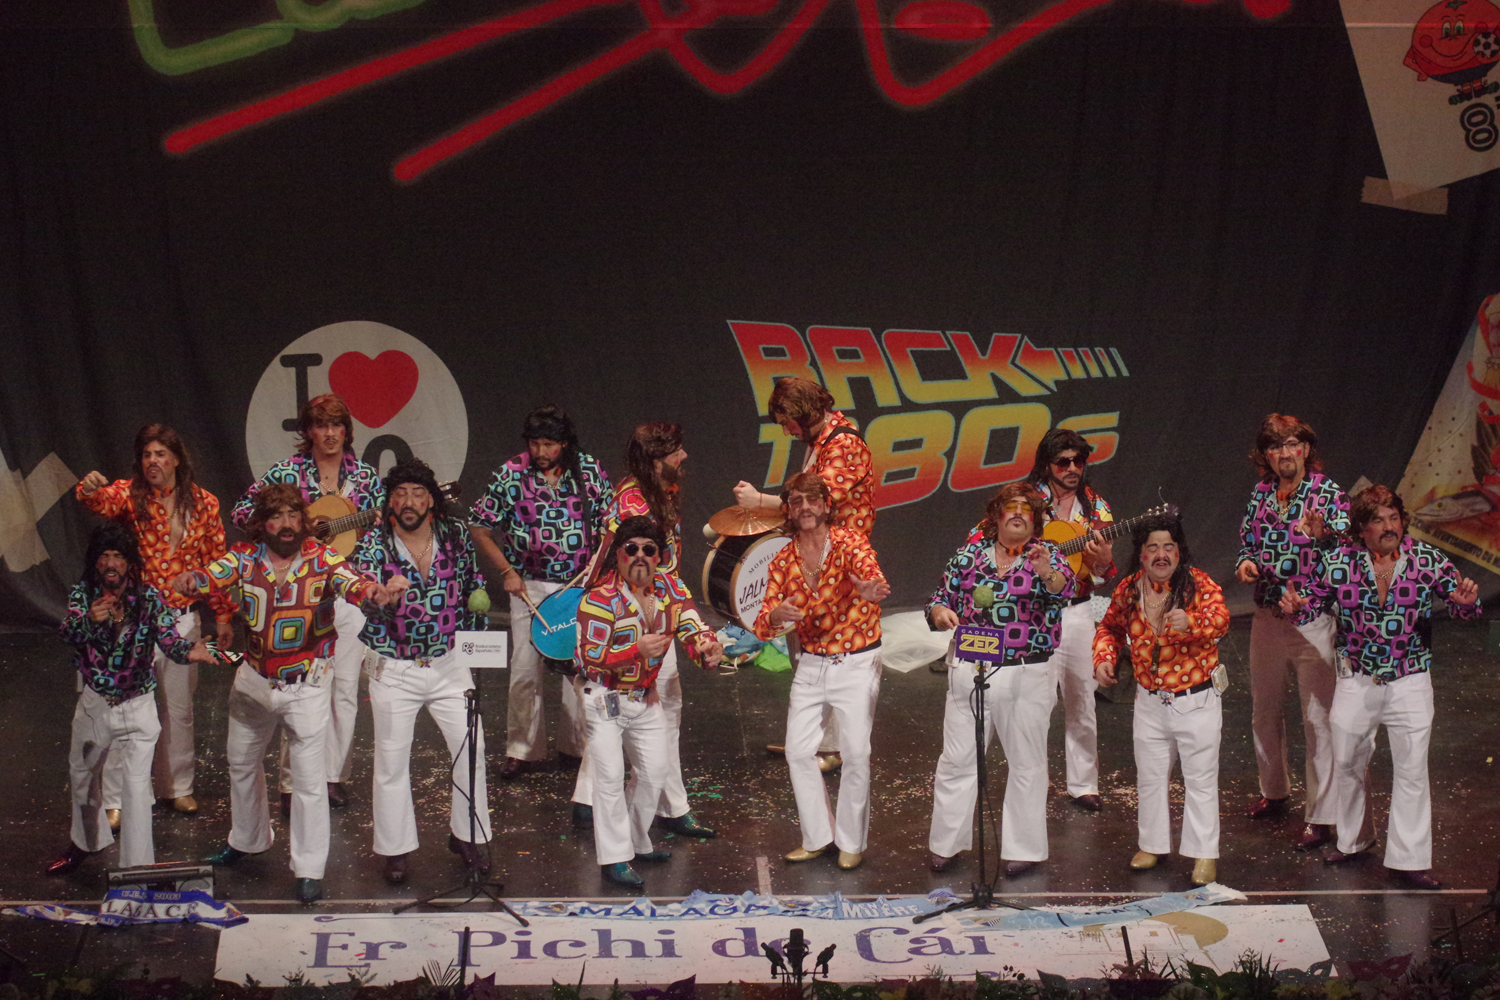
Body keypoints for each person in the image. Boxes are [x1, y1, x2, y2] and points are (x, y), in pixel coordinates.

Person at [177, 484, 388, 905]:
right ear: (262, 523)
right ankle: (248, 839)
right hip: (254, 681)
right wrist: (191, 580)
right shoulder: (245, 557)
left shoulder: (322, 558)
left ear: (304, 520)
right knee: (241, 762)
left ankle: (308, 869)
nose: (287, 524)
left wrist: (374, 592)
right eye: (277, 516)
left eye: (293, 515)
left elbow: (353, 582)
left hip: (306, 685)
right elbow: (211, 575)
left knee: (308, 782)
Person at [1281, 485, 1480, 890]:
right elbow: (1311, 604)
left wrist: (1464, 603)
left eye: (1394, 518)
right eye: (1378, 520)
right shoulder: (1339, 563)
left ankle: (1408, 861)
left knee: (1412, 770)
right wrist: (1296, 609)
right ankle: (1353, 841)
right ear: (1361, 528)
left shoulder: (1426, 559)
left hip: (1410, 680)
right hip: (1357, 680)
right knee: (1348, 763)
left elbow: (1462, 607)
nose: (1389, 527)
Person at [232, 394, 383, 812]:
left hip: (348, 589)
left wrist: (365, 539)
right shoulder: (287, 472)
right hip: (297, 593)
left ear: (347, 431)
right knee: (296, 686)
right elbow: (242, 512)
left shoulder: (366, 478)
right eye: (321, 426)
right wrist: (292, 532)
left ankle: (332, 777)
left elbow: (381, 533)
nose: (330, 434)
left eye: (337, 425)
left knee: (345, 689)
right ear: (308, 432)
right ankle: (292, 782)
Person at [76, 424, 235, 819]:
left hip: (181, 620)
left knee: (178, 710)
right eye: (147, 455)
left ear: (176, 458)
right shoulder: (131, 496)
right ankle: (115, 799)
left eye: (161, 454)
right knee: (125, 708)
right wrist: (90, 488)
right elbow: (101, 502)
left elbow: (217, 563)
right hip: (136, 622)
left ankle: (177, 787)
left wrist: (222, 615)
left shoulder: (204, 503)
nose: (153, 461)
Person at [354, 460, 493, 884]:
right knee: (392, 760)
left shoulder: (454, 535)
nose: (408, 501)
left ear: (431, 500)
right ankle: (395, 849)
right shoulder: (373, 544)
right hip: (395, 667)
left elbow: (472, 586)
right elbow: (362, 597)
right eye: (399, 494)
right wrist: (382, 597)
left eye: (417, 493)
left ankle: (467, 836)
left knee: (471, 747)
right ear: (389, 503)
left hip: (449, 663)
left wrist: (477, 640)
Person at [572, 423, 715, 838]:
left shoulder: (655, 492)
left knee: (626, 710)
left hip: (648, 609)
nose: (684, 457)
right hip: (635, 616)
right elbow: (639, 571)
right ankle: (668, 809)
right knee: (656, 709)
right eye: (676, 452)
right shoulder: (635, 504)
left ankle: (588, 800)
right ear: (655, 460)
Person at [925, 482, 1074, 876]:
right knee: (957, 758)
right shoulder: (968, 557)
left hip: (1027, 670)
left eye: (1027, 509)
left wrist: (1045, 572)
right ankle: (946, 844)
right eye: (1012, 506)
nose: (1019, 513)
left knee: (1026, 762)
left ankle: (1024, 848)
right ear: (995, 515)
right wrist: (939, 613)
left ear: (1036, 520)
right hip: (970, 668)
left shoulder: (1049, 556)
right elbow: (939, 599)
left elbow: (1065, 591)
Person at [48, 524, 215, 876]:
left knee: (136, 789)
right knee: (82, 774)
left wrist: (190, 651)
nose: (111, 563)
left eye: (118, 557)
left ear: (129, 563)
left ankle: (137, 868)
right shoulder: (84, 595)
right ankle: (85, 842)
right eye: (105, 556)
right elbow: (67, 633)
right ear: (95, 561)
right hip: (95, 704)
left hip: (137, 706)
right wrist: (89, 621)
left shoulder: (149, 598)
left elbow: (169, 640)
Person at [733, 376, 875, 771]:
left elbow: (814, 503)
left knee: (835, 649)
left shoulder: (844, 445)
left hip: (841, 561)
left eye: (787, 422)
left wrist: (759, 501)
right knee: (810, 646)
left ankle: (833, 748)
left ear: (805, 413)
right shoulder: (821, 442)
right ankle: (812, 738)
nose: (786, 431)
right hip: (817, 554)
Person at [575, 516, 723, 887]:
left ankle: (635, 841)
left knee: (656, 772)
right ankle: (614, 859)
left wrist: (708, 648)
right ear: (618, 555)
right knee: (610, 778)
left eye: (648, 549)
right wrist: (634, 651)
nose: (640, 556)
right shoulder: (599, 599)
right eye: (632, 549)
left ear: (659, 556)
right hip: (604, 699)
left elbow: (693, 627)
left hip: (645, 698)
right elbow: (588, 658)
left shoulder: (671, 588)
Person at [753, 472, 890, 871]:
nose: (805, 507)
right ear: (789, 510)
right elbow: (763, 621)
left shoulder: (849, 542)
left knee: (856, 752)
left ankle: (851, 841)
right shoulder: (783, 559)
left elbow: (870, 573)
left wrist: (869, 588)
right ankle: (817, 837)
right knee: (798, 751)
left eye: (812, 500)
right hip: (812, 662)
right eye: (797, 501)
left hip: (856, 659)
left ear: (827, 506)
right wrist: (776, 615)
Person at [469, 405, 610, 780]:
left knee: (576, 666)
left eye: (549, 444)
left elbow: (611, 524)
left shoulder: (588, 470)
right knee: (524, 669)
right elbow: (480, 526)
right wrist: (507, 572)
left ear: (565, 443)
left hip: (578, 584)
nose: (541, 452)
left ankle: (576, 746)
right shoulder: (511, 473)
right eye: (535, 444)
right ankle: (522, 750)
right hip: (528, 584)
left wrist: (596, 566)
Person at [1094, 515, 1230, 887]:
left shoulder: (1198, 584)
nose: (1161, 554)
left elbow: (1221, 619)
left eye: (1168, 546)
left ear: (1179, 551)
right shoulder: (1129, 589)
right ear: (1140, 553)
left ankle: (1204, 853)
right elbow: (1109, 627)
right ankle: (1152, 845)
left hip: (1196, 701)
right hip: (1150, 702)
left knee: (1200, 780)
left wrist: (1193, 622)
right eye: (1152, 547)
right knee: (1150, 777)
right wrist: (1104, 657)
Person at [1235, 413, 1349, 850]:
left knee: (1317, 718)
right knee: (1263, 710)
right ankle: (1274, 791)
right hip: (1267, 616)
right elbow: (1247, 541)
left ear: (1305, 449)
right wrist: (1246, 562)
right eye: (1275, 446)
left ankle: (1322, 816)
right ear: (1265, 455)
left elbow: (1347, 554)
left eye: (1291, 444)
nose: (1284, 453)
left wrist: (1325, 538)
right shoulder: (1261, 493)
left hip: (1312, 620)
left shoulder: (1327, 493)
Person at [1023, 428, 1115, 811]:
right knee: (1036, 702)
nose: (1073, 468)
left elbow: (1102, 573)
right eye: (1064, 462)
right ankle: (1033, 780)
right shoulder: (1025, 503)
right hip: (1035, 614)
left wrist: (1103, 561)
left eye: (1079, 461)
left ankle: (1084, 784)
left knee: (1082, 698)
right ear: (1047, 464)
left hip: (1078, 611)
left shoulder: (1097, 509)